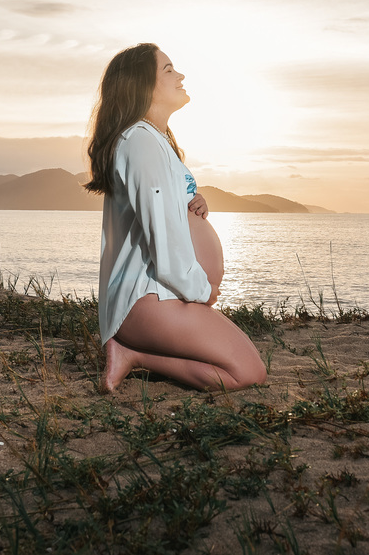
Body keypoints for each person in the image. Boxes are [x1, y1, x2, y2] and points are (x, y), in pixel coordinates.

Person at [85, 43, 267, 393]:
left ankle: (133, 351)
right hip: (149, 296)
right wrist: (200, 288)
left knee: (247, 367)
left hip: (161, 295)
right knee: (247, 372)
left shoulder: (154, 141)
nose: (180, 75)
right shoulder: (139, 141)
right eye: (168, 70)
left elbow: (162, 211)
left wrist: (191, 201)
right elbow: (163, 239)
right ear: (141, 85)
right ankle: (133, 353)